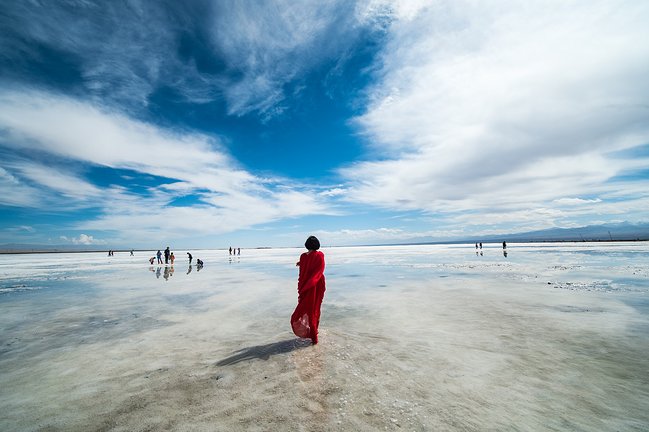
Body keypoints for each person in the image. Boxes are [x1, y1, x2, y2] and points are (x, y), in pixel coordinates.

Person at [291, 236, 326, 345]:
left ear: (306, 244)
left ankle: (313, 333)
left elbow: (305, 267)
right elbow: (319, 270)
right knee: (314, 309)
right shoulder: (320, 256)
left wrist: (301, 263)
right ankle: (314, 337)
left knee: (308, 309)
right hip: (316, 286)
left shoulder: (303, 257)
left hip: (306, 287)